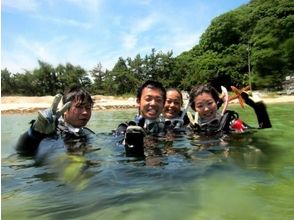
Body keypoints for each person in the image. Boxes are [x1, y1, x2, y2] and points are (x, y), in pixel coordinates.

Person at [15, 86, 96, 162]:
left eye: (88, 108)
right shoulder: (52, 130)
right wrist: (35, 133)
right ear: (65, 109)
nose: (85, 112)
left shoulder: (87, 133)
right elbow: (22, 153)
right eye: (79, 107)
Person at [188, 83, 272, 134]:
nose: (206, 109)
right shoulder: (192, 128)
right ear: (194, 108)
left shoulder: (230, 123)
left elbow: (261, 133)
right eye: (200, 106)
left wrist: (260, 110)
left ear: (216, 102)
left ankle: (259, 108)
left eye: (210, 103)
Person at [115, 80, 166, 157]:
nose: (153, 103)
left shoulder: (168, 129)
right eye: (148, 99)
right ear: (138, 101)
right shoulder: (124, 128)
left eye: (158, 100)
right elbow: (116, 150)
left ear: (163, 104)